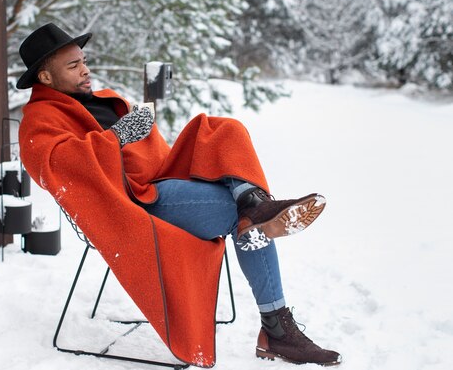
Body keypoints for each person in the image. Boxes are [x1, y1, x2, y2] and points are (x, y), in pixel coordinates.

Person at [18, 23, 341, 367]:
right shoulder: (40, 120)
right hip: (137, 203)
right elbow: (55, 164)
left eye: (83, 61)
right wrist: (116, 137)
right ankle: (277, 329)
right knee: (241, 219)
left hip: (163, 178)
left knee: (224, 130)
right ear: (47, 78)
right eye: (73, 66)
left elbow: (149, 150)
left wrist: (141, 120)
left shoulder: (103, 99)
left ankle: (254, 203)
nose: (85, 70)